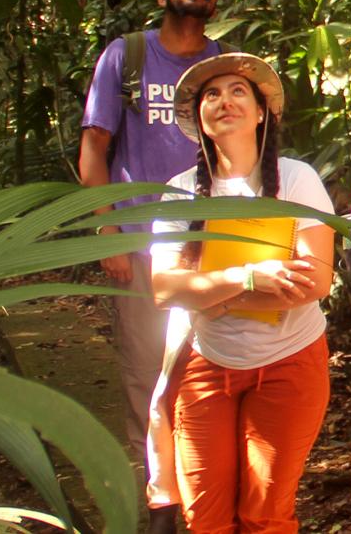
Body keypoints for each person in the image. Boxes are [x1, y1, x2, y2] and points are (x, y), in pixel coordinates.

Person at [144, 53, 336, 534]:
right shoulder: (181, 191)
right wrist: (249, 279)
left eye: (237, 91)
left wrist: (208, 294)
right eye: (212, 93)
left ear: (260, 112)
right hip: (206, 364)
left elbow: (313, 282)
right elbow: (165, 288)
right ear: (199, 118)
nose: (224, 101)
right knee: (204, 517)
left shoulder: (296, 179)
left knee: (265, 515)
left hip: (290, 363)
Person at [77, 0, 231, 506]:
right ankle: (159, 497)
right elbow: (95, 147)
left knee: (212, 366)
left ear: (216, 3)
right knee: (147, 373)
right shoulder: (129, 56)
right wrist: (108, 232)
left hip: (211, 243)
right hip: (141, 241)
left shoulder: (223, 66)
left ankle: (205, 487)